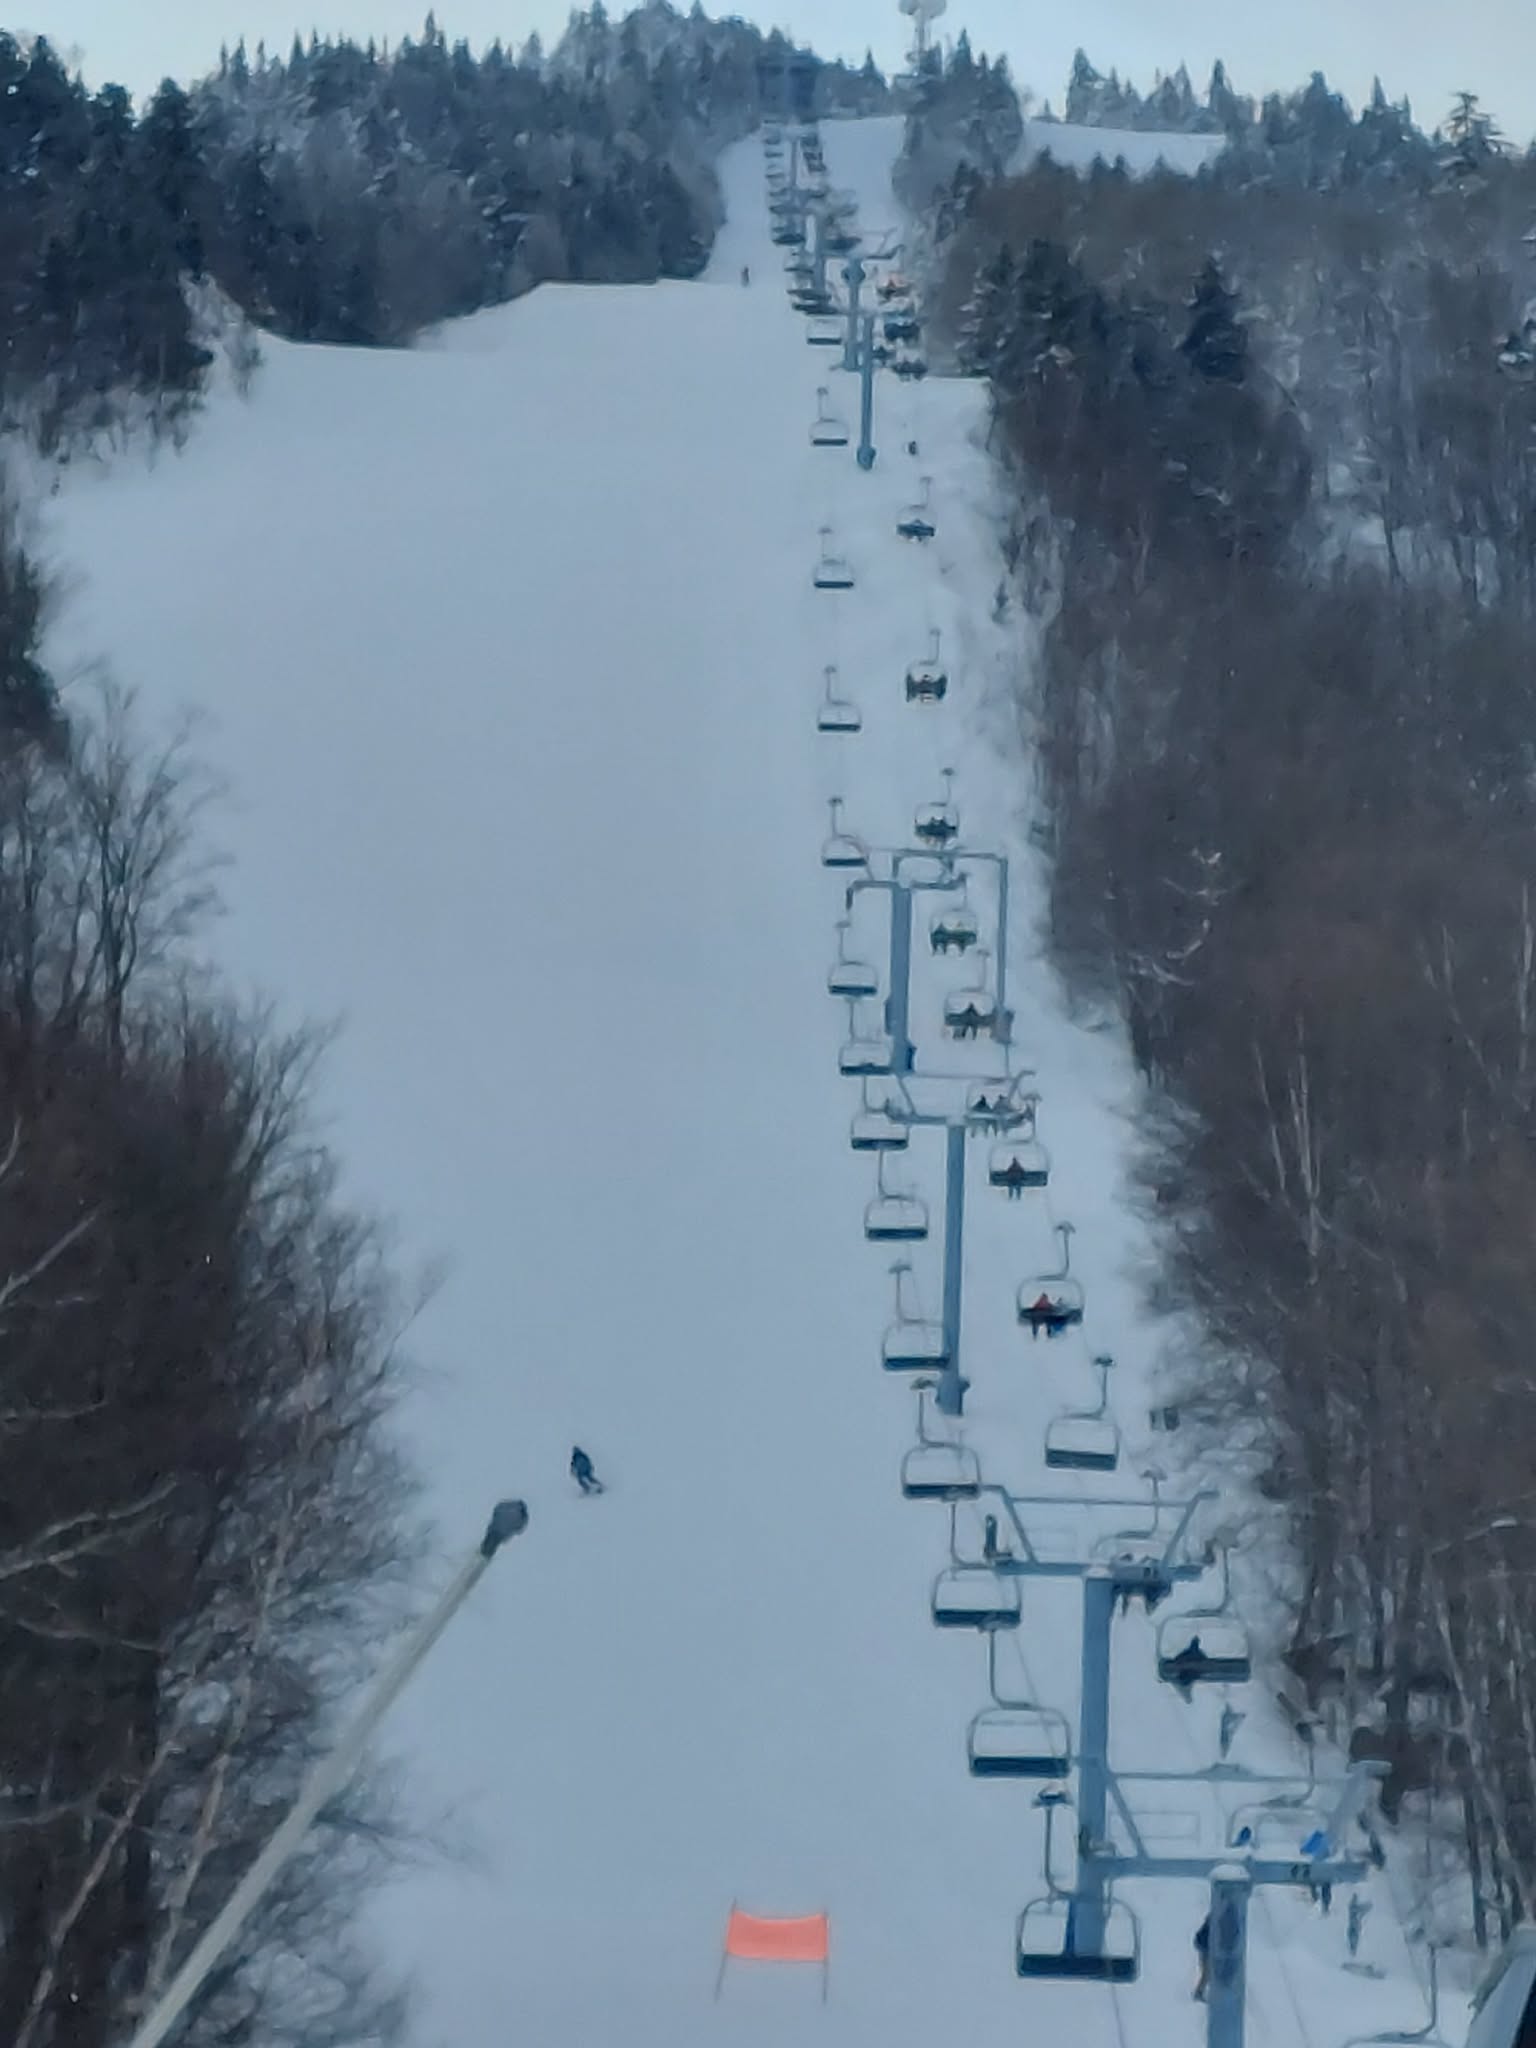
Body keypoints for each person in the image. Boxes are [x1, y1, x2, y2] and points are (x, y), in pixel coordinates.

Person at [1193, 1914, 1211, 2002]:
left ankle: (1202, 1991)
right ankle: (1198, 1993)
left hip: (1208, 1955)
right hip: (1206, 1955)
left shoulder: (1208, 1929)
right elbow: (1197, 1942)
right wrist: (1205, 1950)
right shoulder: (1206, 1930)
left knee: (1209, 1974)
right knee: (1207, 1974)